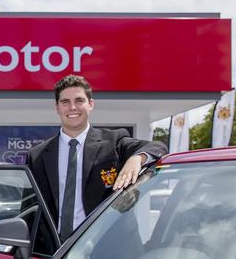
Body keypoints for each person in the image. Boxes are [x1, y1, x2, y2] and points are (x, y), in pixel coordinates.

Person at [28, 74, 167, 242]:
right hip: (53, 251)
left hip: (106, 249)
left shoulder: (114, 141)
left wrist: (136, 158)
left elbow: (158, 147)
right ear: (57, 107)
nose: (72, 107)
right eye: (65, 102)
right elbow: (30, 210)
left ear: (91, 104)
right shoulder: (37, 155)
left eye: (79, 100)